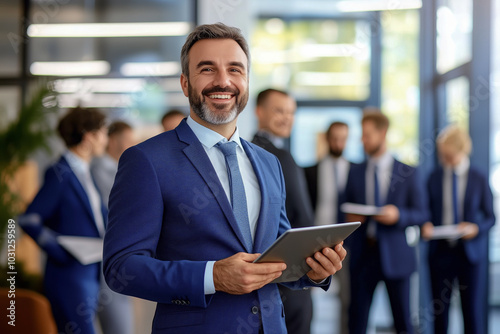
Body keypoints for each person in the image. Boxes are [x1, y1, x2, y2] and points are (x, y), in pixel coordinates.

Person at [103, 23, 346, 334]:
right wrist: (212, 276)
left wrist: (313, 270)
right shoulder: (147, 160)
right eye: (207, 69)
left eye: (235, 69)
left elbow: (276, 257)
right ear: (184, 82)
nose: (223, 81)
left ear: (245, 80)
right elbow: (121, 268)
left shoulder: (269, 162)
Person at [19, 107, 108, 334]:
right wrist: (61, 250)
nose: (106, 139)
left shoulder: (85, 172)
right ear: (88, 136)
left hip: (90, 270)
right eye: (103, 133)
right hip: (70, 274)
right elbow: (29, 219)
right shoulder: (60, 172)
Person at [344, 109, 427, 334]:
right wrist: (350, 217)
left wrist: (398, 215)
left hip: (397, 257)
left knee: (403, 323)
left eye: (367, 134)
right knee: (357, 321)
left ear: (383, 134)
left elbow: (422, 213)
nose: (363, 140)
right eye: (362, 134)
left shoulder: (408, 172)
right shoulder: (355, 171)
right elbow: (344, 209)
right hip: (363, 255)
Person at [252, 88, 315, 334]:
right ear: (259, 111)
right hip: (289, 273)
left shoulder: (249, 150)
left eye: (291, 112)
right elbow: (302, 218)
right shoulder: (278, 156)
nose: (287, 118)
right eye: (279, 111)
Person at [421, 125, 495, 334]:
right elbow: (424, 211)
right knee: (439, 316)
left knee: (471, 313)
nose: (445, 159)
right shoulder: (434, 177)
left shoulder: (478, 178)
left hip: (469, 255)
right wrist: (424, 225)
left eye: (449, 155)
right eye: (442, 155)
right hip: (440, 253)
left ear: (462, 151)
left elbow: (491, 217)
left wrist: (475, 228)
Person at [305, 121, 352, 334]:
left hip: (346, 243)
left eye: (343, 138)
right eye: (335, 137)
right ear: (327, 138)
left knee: (347, 298)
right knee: (307, 294)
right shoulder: (310, 171)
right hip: (314, 241)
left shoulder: (355, 171)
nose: (338, 142)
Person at [90, 121, 135, 334]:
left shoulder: (117, 167)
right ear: (115, 141)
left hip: (120, 252)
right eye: (128, 139)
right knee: (118, 323)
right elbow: (121, 205)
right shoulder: (100, 168)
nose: (132, 144)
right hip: (105, 251)